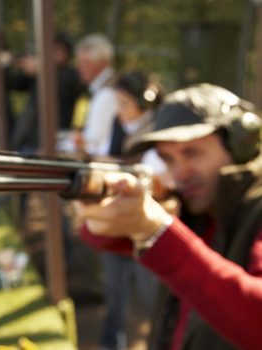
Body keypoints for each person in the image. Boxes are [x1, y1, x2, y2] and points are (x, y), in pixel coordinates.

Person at [74, 83, 262, 349]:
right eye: (168, 158)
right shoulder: (197, 208)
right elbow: (102, 237)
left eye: (192, 153)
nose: (179, 172)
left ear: (240, 146)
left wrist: (155, 229)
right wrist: (102, 207)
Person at [97, 70, 166, 350]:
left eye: (124, 103)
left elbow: (158, 175)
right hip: (118, 223)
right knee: (114, 290)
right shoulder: (117, 123)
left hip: (149, 227)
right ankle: (112, 341)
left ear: (144, 103)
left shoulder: (161, 131)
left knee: (153, 296)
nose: (119, 110)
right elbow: (103, 153)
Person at [73, 33, 118, 157]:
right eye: (79, 63)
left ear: (102, 62)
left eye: (85, 62)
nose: (79, 68)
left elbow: (93, 141)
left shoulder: (106, 93)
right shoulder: (105, 88)